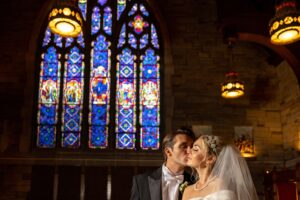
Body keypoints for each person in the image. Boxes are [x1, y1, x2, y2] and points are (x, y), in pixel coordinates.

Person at [182, 135, 258, 200]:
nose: (188, 151)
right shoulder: (187, 190)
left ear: (210, 159)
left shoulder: (223, 186)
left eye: (195, 149)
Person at [130, 128, 196, 200]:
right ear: (168, 152)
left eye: (192, 147)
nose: (190, 151)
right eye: (184, 146)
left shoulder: (195, 183)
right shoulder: (141, 181)